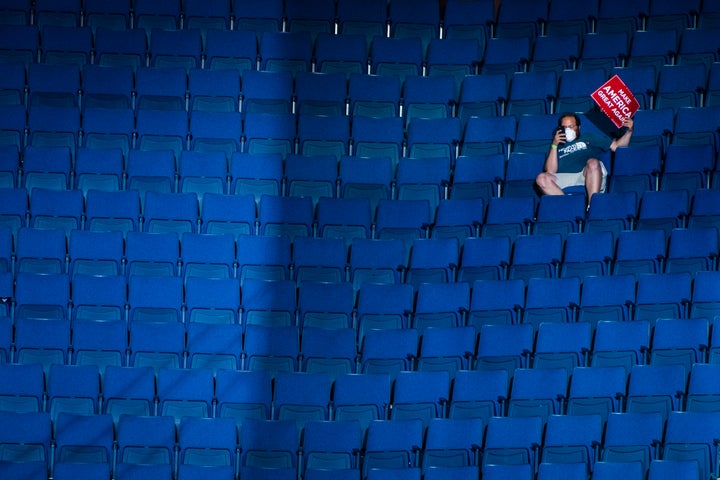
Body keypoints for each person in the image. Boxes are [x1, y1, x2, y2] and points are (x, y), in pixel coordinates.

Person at [535, 112, 634, 204]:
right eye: (565, 127)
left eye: (571, 126)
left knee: (593, 162)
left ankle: (593, 206)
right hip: (567, 178)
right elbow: (550, 171)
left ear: (578, 127)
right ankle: (567, 206)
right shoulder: (557, 145)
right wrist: (554, 145)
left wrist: (629, 131)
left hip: (589, 173)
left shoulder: (589, 137)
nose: (568, 130)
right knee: (541, 178)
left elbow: (616, 147)